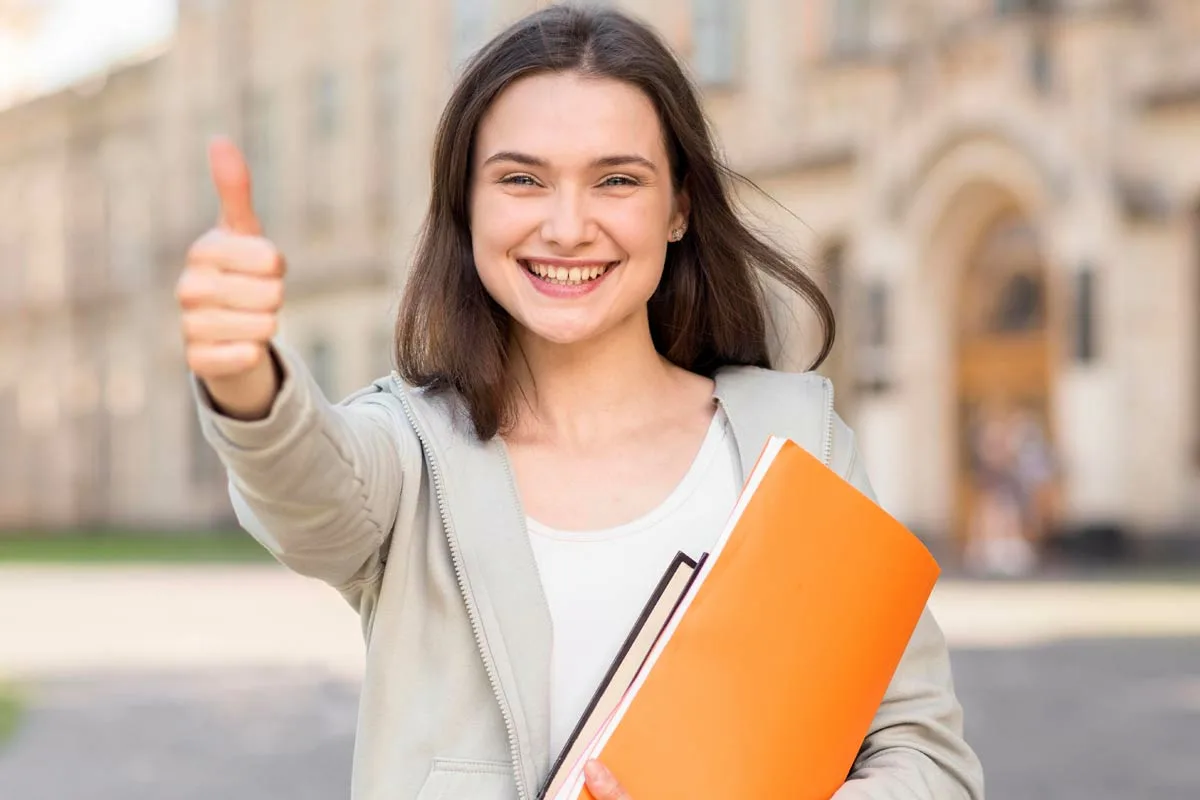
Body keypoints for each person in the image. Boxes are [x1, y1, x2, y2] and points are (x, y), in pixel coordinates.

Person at [177, 5, 984, 799]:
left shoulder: (798, 443)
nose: (567, 227)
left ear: (679, 208)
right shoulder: (410, 456)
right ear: (467, 205)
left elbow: (925, 755)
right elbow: (310, 492)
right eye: (522, 179)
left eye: (617, 180)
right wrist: (246, 375)